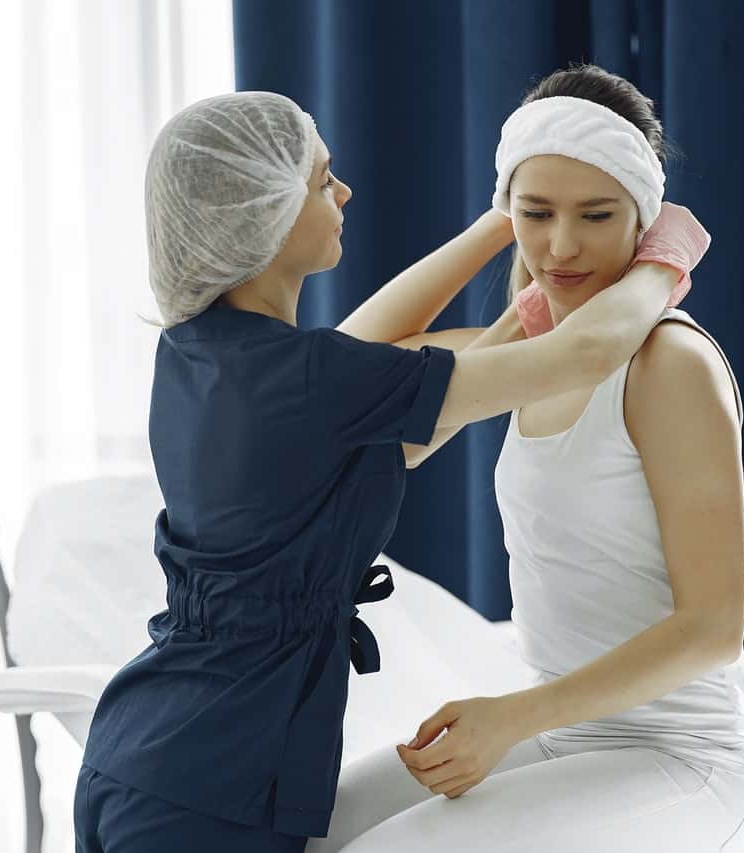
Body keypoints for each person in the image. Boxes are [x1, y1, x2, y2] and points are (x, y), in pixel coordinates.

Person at [72, 89, 703, 853]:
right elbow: (586, 351)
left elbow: (399, 379)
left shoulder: (202, 356)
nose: (344, 193)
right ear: (267, 211)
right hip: (212, 787)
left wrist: (515, 217)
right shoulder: (312, 380)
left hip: (144, 757)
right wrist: (667, 253)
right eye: (322, 180)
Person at [313, 64, 744, 853]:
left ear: (644, 216)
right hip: (567, 738)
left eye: (596, 213)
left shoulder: (670, 366)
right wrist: (500, 219)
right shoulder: (527, 354)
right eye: (537, 212)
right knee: (306, 833)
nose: (561, 245)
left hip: (687, 759)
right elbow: (340, 374)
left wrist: (510, 718)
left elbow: (713, 628)